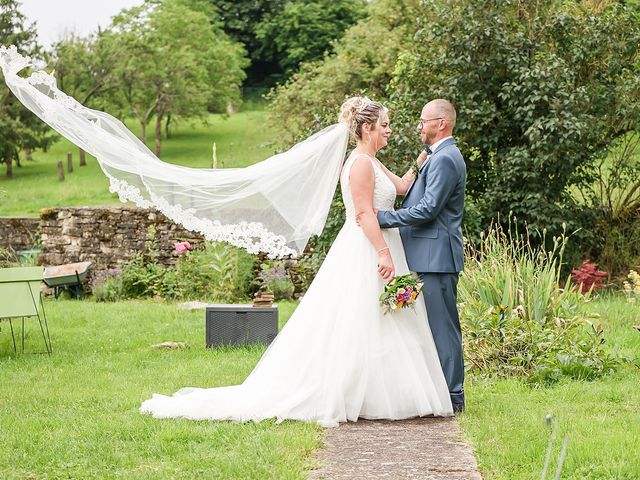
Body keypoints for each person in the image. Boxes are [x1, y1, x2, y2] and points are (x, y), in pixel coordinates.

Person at [139, 97, 453, 426]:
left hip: (379, 244)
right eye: (385, 125)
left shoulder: (371, 161)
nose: (390, 130)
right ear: (366, 128)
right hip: (367, 248)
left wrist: (426, 154)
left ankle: (378, 391)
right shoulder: (359, 164)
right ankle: (351, 392)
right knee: (359, 319)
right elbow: (363, 214)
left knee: (381, 321)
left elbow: (402, 186)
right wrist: (384, 253)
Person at [377, 99, 467, 413]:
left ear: (441, 123)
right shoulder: (435, 155)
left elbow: (429, 210)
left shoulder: (445, 158)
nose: (419, 126)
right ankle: (437, 393)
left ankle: (453, 397)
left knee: (443, 328)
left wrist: (385, 218)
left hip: (436, 257)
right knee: (427, 327)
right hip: (426, 255)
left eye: (423, 120)